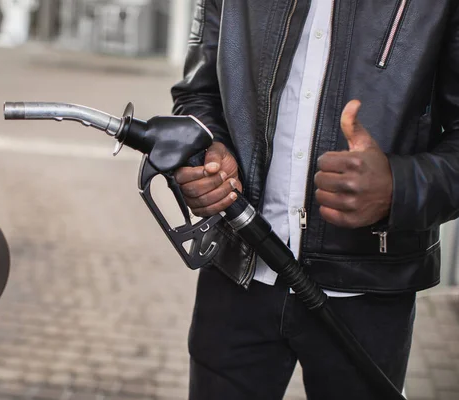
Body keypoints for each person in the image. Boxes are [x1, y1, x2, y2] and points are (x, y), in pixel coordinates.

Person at [171, 1, 459, 399]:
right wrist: (206, 153)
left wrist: (398, 186)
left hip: (366, 288)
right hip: (237, 269)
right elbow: (197, 96)